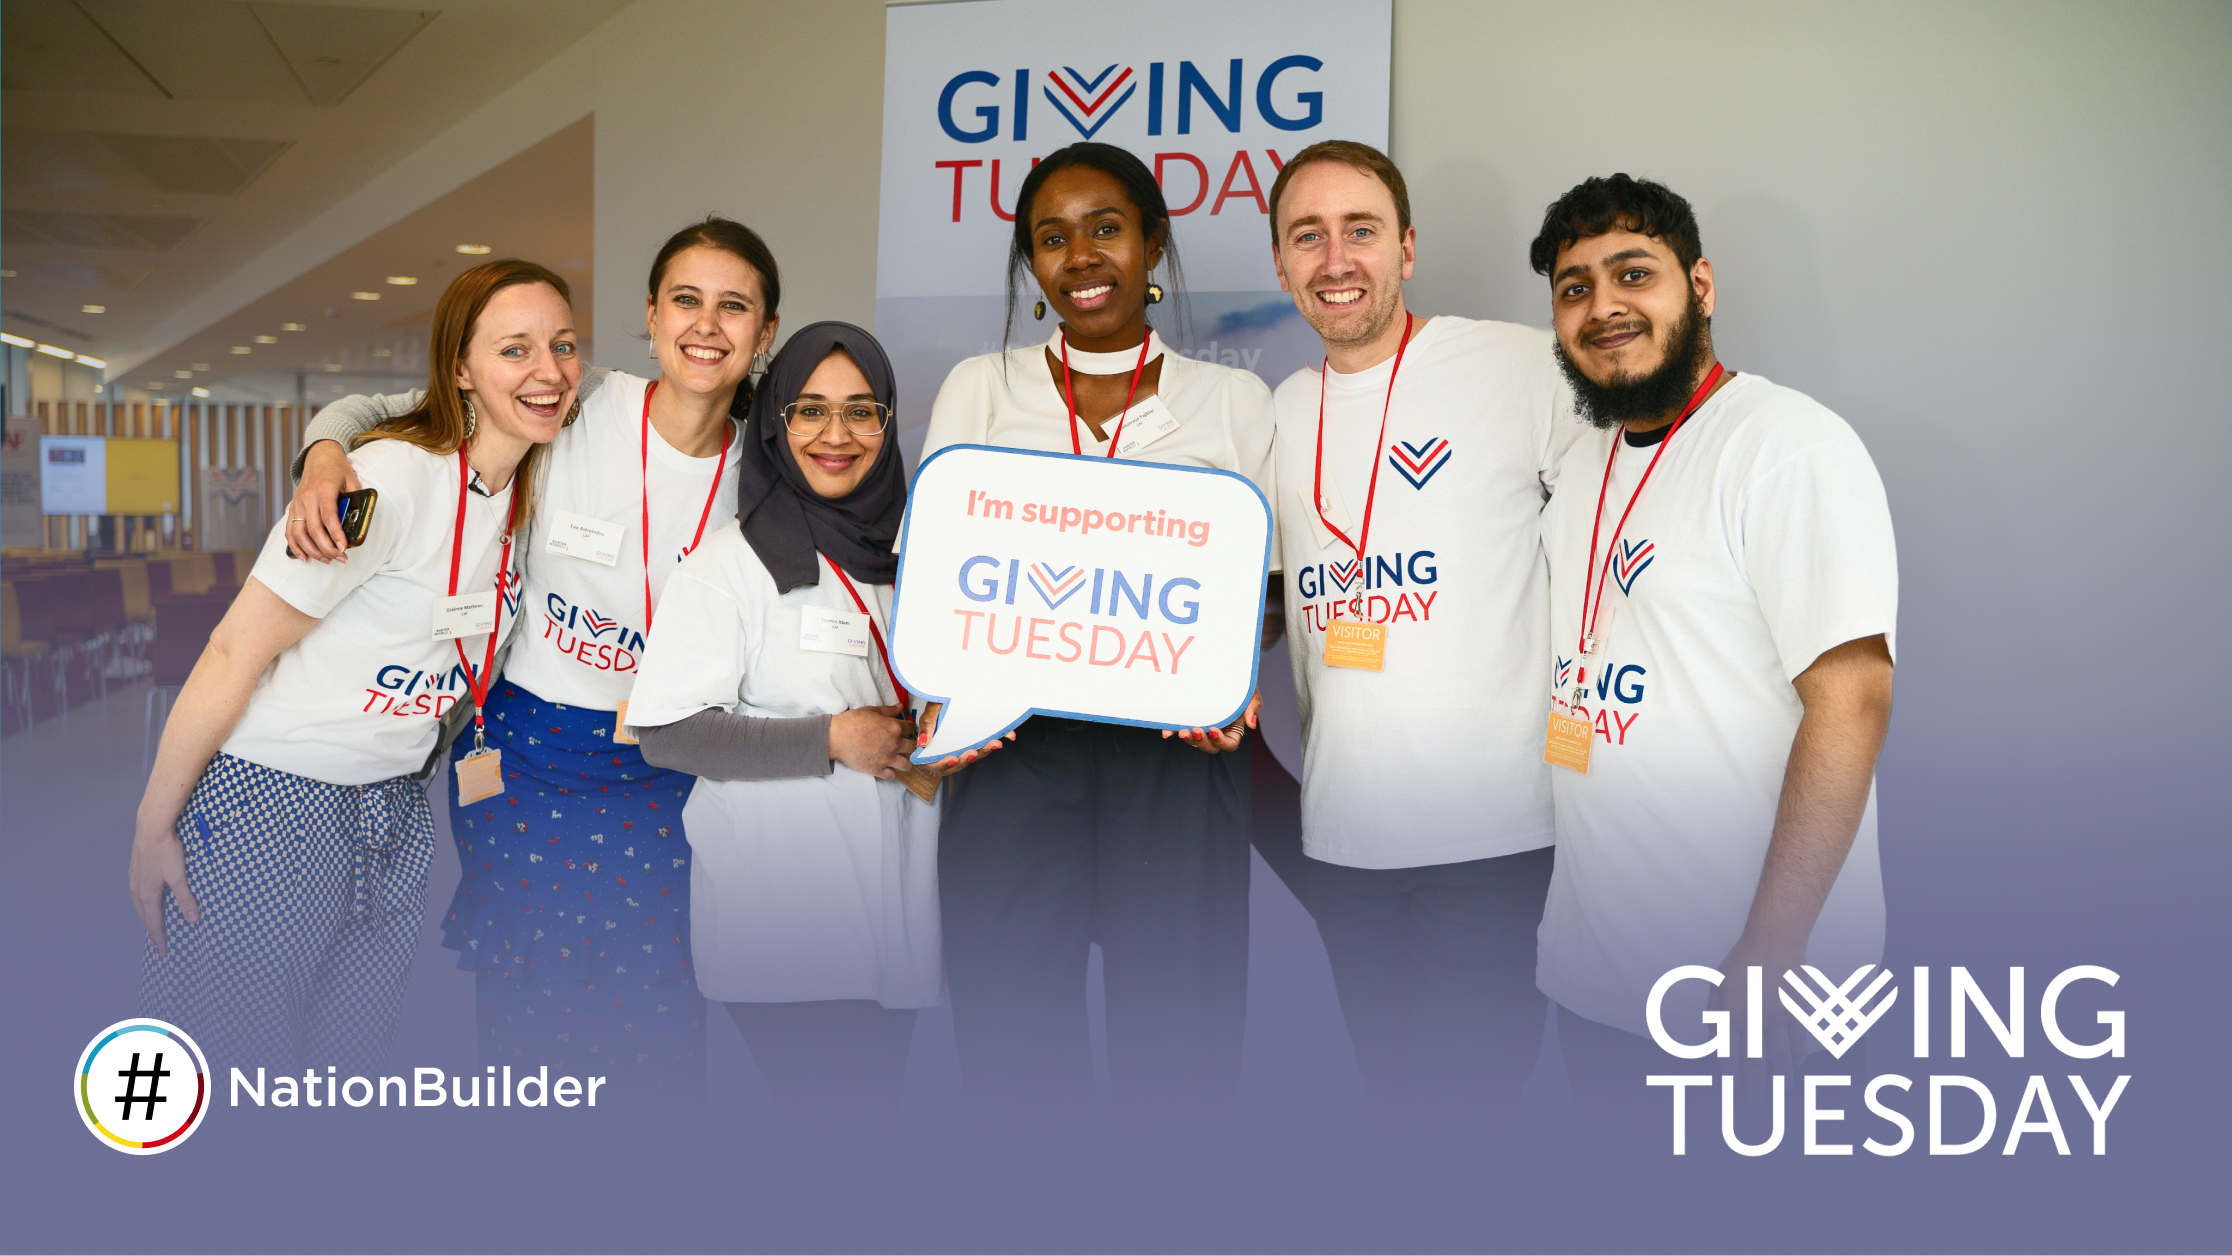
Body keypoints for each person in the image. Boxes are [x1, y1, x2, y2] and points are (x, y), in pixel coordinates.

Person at [283, 217, 781, 1095]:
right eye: (686, 301)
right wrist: (327, 452)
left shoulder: (771, 469)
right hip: (528, 761)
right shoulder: (580, 402)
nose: (708, 325)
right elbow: (395, 408)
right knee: (532, 1001)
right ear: (653, 317)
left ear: (764, 333)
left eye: (734, 306)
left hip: (670, 772)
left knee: (659, 1002)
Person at [131, 259, 574, 1073]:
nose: (548, 371)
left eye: (564, 345)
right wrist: (152, 824)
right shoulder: (391, 480)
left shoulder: (528, 485)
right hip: (276, 800)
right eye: (516, 350)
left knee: (346, 1070)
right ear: (461, 371)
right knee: (242, 1071)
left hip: (394, 812)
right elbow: (233, 648)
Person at [916, 141, 1278, 1127]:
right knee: (1012, 1043)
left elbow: (1266, 591)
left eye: (1106, 228)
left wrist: (1236, 675)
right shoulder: (980, 388)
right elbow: (938, 579)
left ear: (1153, 242)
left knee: (1182, 1043)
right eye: (1052, 237)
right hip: (1012, 751)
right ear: (1031, 265)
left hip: (1176, 755)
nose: (1081, 256)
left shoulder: (1233, 401)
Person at [1527, 174, 1896, 1140]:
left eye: (1632, 274)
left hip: (1752, 988)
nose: (1602, 307)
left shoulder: (1785, 446)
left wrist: (1775, 948)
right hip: (1598, 979)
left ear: (1701, 286)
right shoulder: (1583, 462)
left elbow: (1852, 700)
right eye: (1574, 288)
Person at [1259, 140, 1587, 1130]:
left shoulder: (1518, 365)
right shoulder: (1278, 410)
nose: (1336, 258)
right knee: (1399, 1110)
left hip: (1498, 839)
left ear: (1409, 245)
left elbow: (1622, 534)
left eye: (1361, 230)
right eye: (1306, 236)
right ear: (1280, 262)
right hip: (1348, 845)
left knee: (1468, 1117)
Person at [624, 322, 933, 1133]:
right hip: (787, 918)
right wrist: (830, 739)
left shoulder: (918, 558)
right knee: (834, 1143)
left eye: (863, 411)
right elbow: (669, 731)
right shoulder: (731, 564)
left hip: (894, 910)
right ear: (774, 425)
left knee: (870, 1136)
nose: (838, 435)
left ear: (890, 423)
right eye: (810, 410)